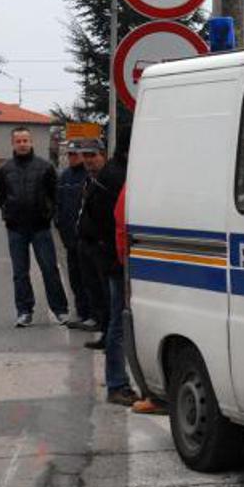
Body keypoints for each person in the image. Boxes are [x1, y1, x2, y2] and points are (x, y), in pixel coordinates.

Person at [78, 144, 142, 406]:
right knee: (119, 322)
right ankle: (117, 384)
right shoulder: (118, 176)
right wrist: (119, 258)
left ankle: (122, 382)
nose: (88, 160)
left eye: (92, 155)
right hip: (117, 260)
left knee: (119, 321)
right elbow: (116, 222)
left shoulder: (111, 173)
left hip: (111, 257)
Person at [0, 127, 70, 327]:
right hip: (16, 228)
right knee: (20, 273)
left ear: (31, 142)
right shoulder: (4, 169)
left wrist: (48, 214)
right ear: (13, 143)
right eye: (18, 141)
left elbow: (55, 194)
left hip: (40, 227)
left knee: (49, 269)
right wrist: (9, 212)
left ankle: (60, 310)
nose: (22, 144)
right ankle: (24, 311)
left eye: (25, 140)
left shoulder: (45, 167)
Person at [112, 182, 166, 415]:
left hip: (140, 262)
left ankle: (153, 392)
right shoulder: (138, 185)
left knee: (136, 325)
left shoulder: (136, 184)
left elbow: (121, 224)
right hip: (145, 262)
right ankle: (151, 392)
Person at [55, 141, 98, 332]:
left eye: (75, 154)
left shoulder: (89, 176)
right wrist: (58, 223)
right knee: (75, 278)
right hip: (70, 238)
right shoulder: (64, 176)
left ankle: (93, 315)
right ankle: (82, 313)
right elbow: (58, 203)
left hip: (85, 238)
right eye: (69, 154)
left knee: (88, 278)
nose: (72, 157)